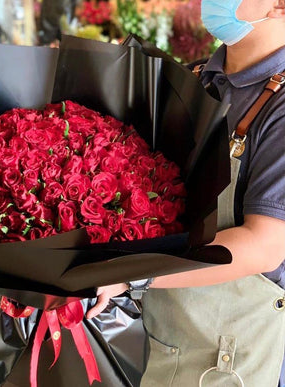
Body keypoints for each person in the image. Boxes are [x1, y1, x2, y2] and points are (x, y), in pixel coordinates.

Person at [87, 0, 285, 385]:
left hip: (234, 357)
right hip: (168, 337)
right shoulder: (193, 82)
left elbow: (264, 245)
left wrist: (134, 275)